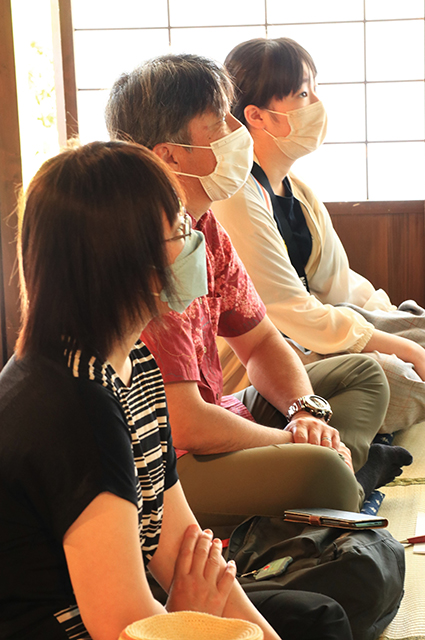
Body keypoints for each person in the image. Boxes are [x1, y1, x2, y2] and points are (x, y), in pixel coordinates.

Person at [105, 53, 411, 533]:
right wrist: (289, 442)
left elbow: (263, 341)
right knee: (320, 467)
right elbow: (184, 423)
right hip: (168, 467)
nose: (236, 130)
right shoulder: (144, 247)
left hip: (222, 413)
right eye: (217, 122)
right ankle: (349, 482)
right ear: (169, 154)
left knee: (363, 374)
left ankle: (341, 488)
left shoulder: (204, 224)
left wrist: (304, 412)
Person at [0, 140, 293, 640]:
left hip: (137, 615)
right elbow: (124, 627)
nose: (195, 238)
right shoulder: (73, 406)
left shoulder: (133, 361)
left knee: (316, 615)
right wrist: (184, 613)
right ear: (126, 258)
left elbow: (181, 546)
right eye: (180, 227)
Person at [213, 36, 425, 434]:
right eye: (303, 94)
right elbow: (286, 310)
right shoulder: (235, 196)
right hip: (268, 362)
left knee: (416, 327)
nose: (317, 105)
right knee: (392, 374)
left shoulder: (297, 189)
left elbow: (342, 285)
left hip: (312, 335)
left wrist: (397, 322)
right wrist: (402, 346)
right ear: (256, 116)